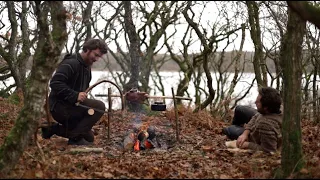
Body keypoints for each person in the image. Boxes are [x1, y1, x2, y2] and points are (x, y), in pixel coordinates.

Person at [41, 38, 108, 145]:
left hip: (73, 106)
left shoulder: (86, 68)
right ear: (87, 49)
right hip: (59, 107)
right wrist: (75, 95)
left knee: (89, 138)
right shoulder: (71, 63)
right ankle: (75, 139)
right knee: (99, 106)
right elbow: (55, 83)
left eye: (99, 57)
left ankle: (52, 129)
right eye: (95, 55)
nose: (97, 59)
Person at [223, 87, 283, 153]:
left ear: (266, 108)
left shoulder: (266, 124)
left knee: (229, 130)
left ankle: (237, 133)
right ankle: (240, 130)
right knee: (239, 109)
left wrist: (247, 144)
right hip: (256, 126)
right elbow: (255, 117)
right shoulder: (278, 108)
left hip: (254, 137)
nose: (255, 102)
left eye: (258, 102)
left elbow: (268, 150)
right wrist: (245, 133)